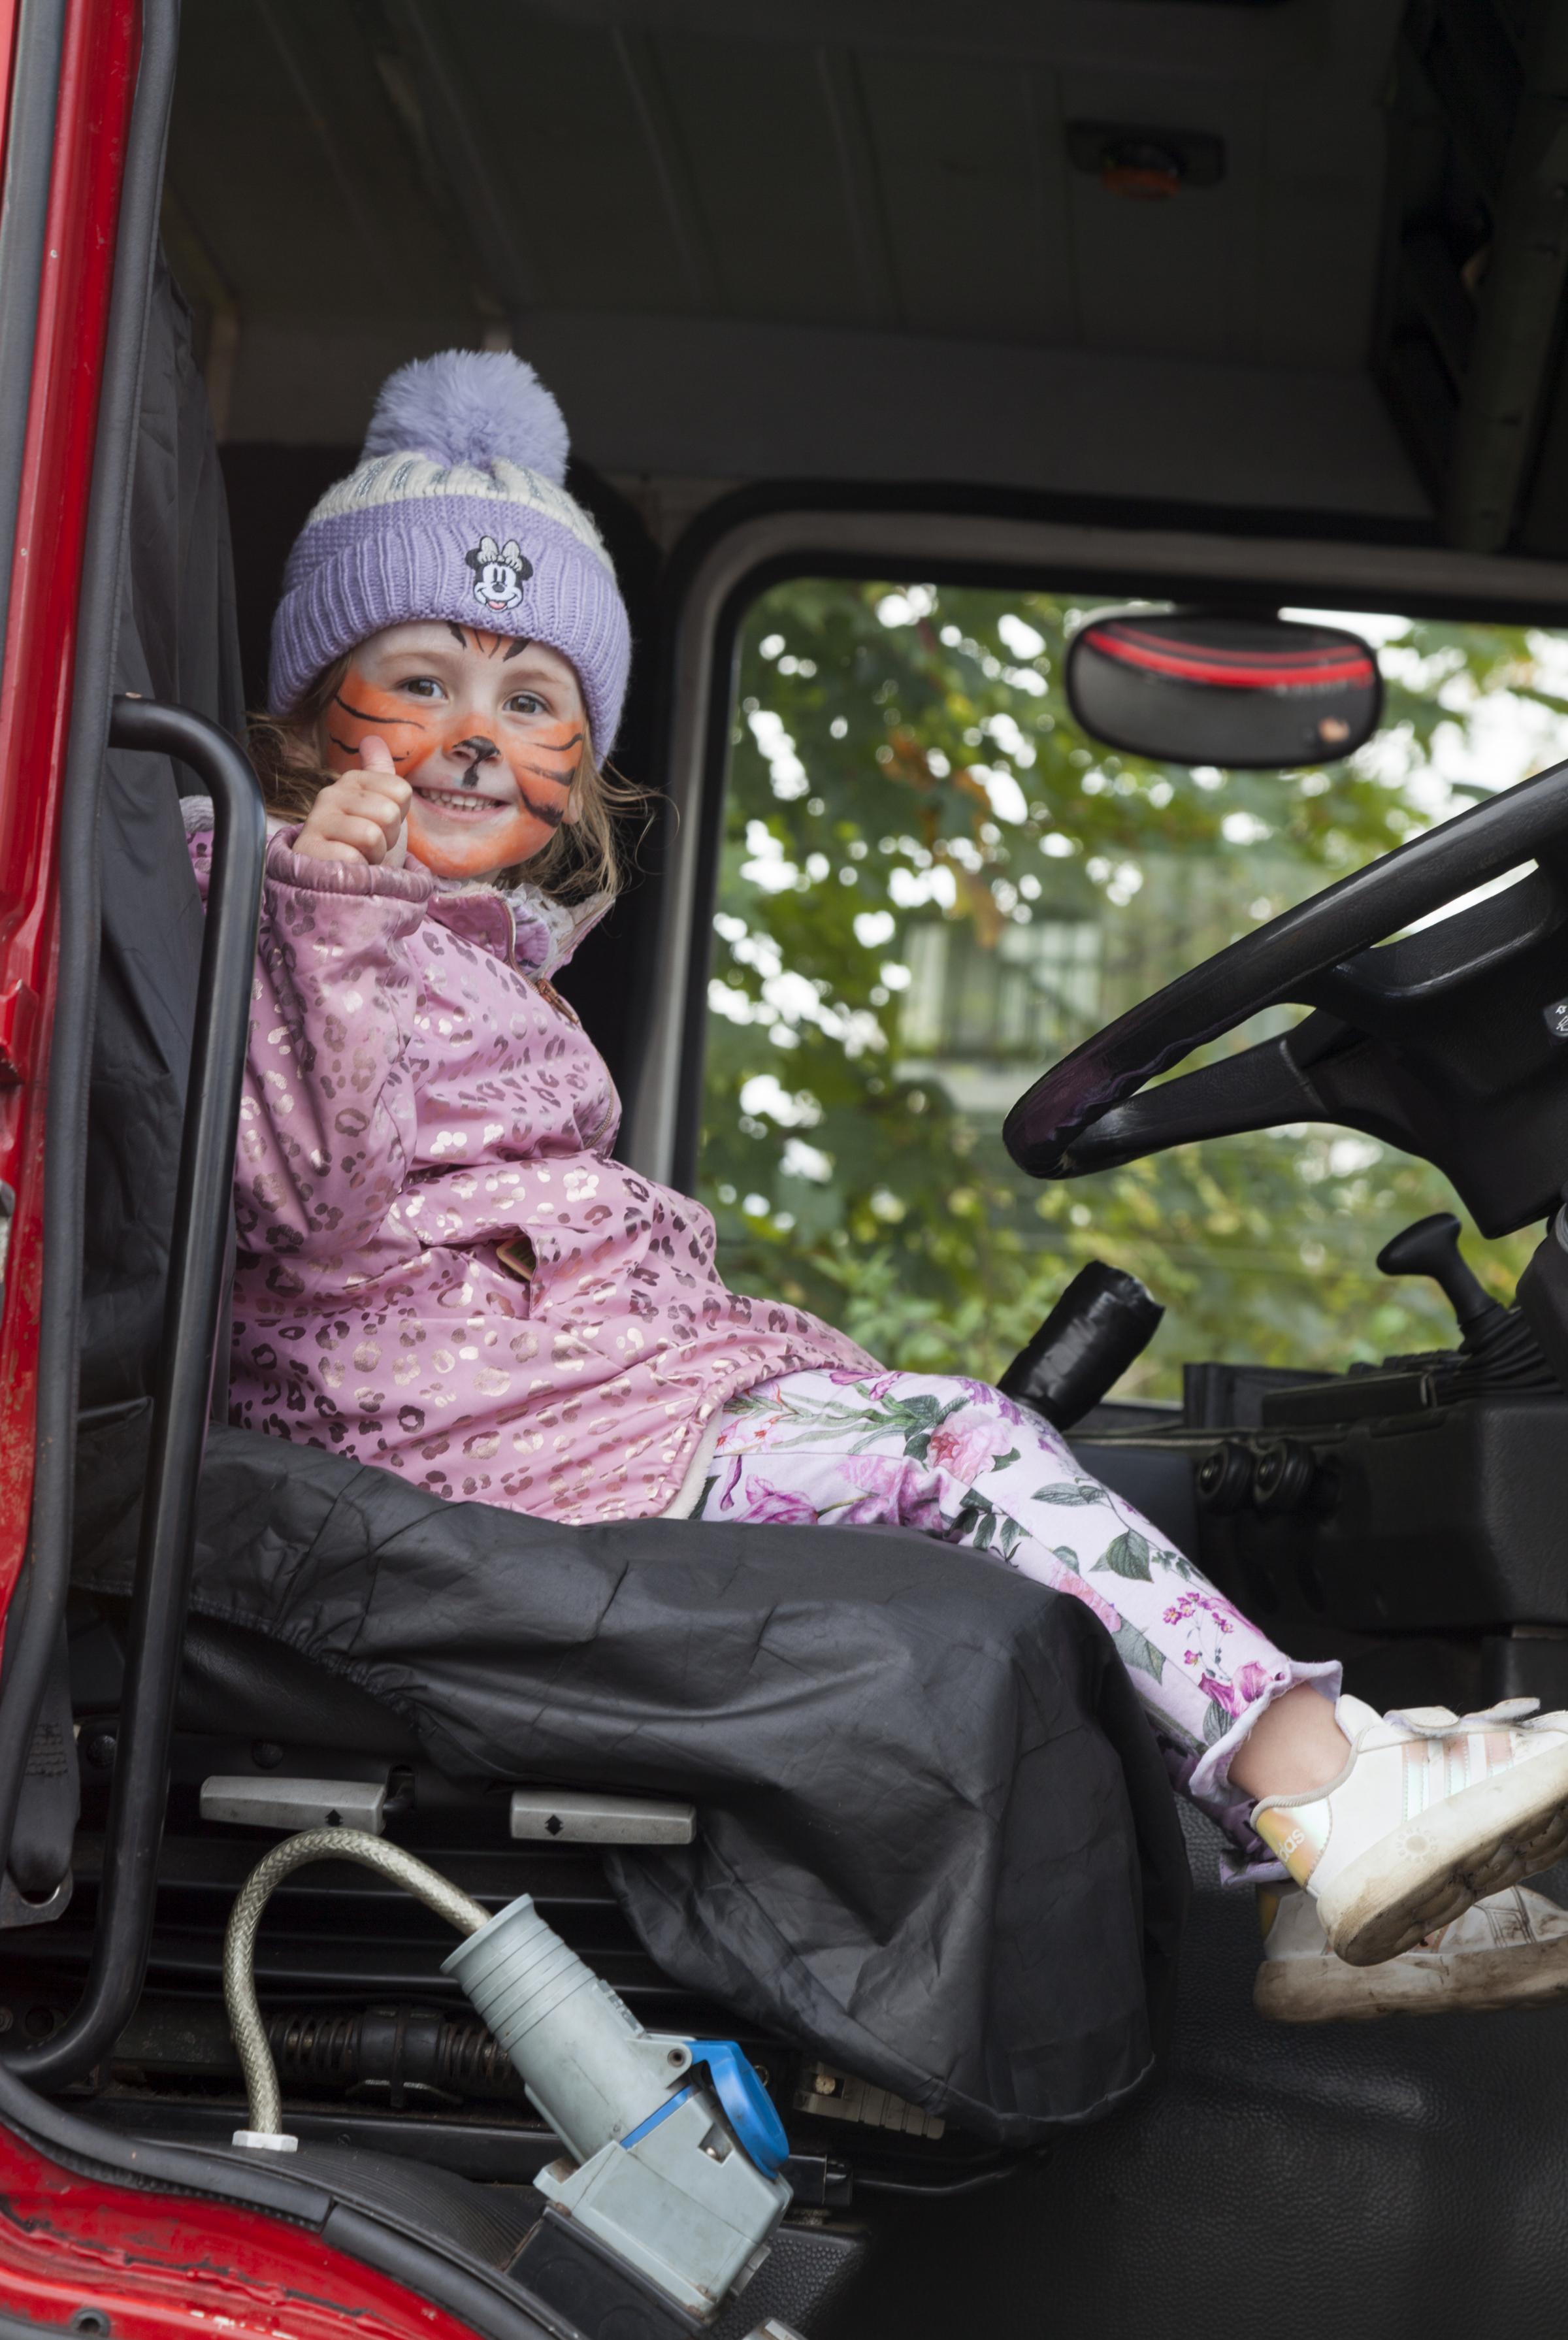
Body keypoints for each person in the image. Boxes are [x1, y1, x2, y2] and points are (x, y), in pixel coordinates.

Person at [191, 348, 1568, 2022]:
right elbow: (303, 1210)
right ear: (310, 707)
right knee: (960, 1448)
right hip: (468, 1456)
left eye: (532, 701)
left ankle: (1291, 1882)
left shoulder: (491, 950)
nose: (479, 740)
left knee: (957, 1456)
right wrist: (338, 913)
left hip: (554, 1413)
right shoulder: (280, 910)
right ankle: (1326, 1785)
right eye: (418, 683)